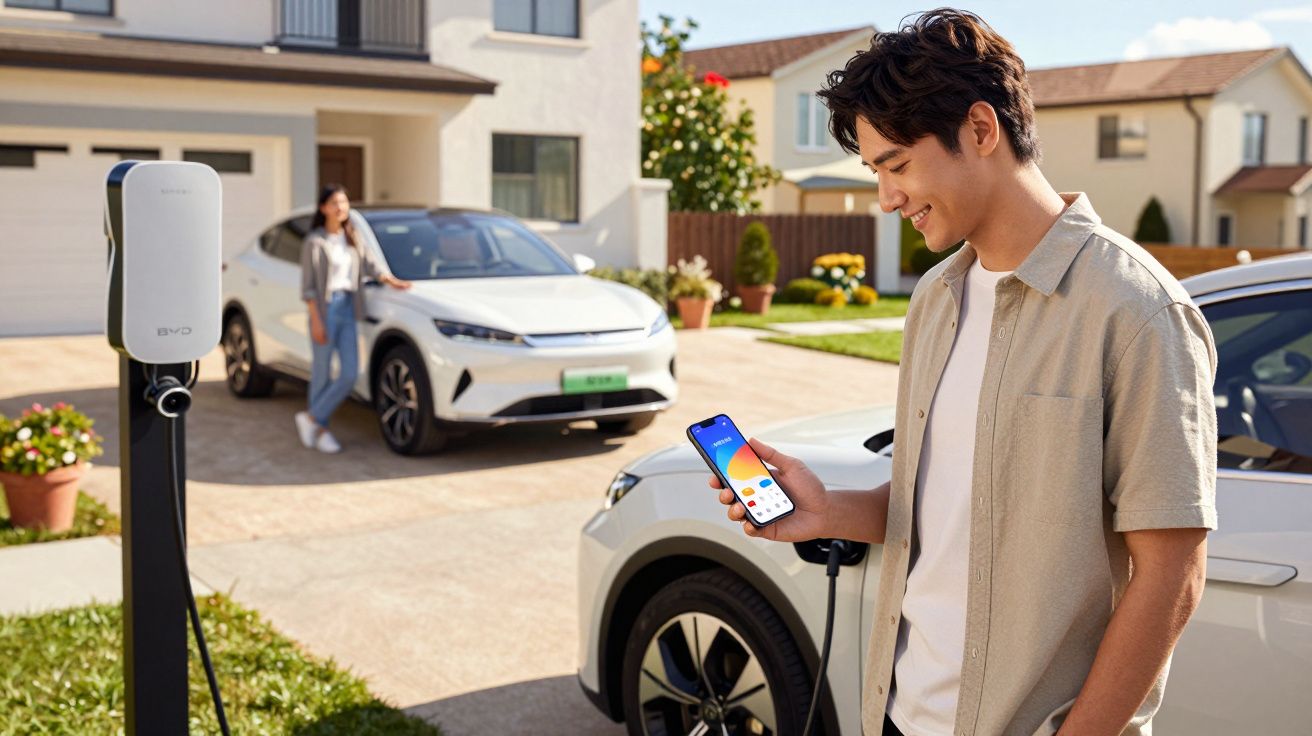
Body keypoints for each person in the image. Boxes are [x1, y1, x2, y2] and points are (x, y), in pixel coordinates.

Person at [712, 10, 1217, 736]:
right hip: (898, 714)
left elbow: (1173, 575)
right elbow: (954, 500)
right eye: (875, 171)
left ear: (981, 130)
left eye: (896, 165)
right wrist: (830, 510)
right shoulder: (935, 299)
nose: (886, 197)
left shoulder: (1137, 311)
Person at [295, 185, 411, 453]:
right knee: (322, 373)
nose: (341, 207)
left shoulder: (353, 238)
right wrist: (316, 320)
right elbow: (309, 287)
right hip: (324, 309)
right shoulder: (314, 241)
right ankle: (321, 429)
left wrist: (391, 281)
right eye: (335, 203)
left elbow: (372, 265)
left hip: (349, 307)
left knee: (350, 373)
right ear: (324, 208)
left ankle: (310, 418)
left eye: (344, 202)